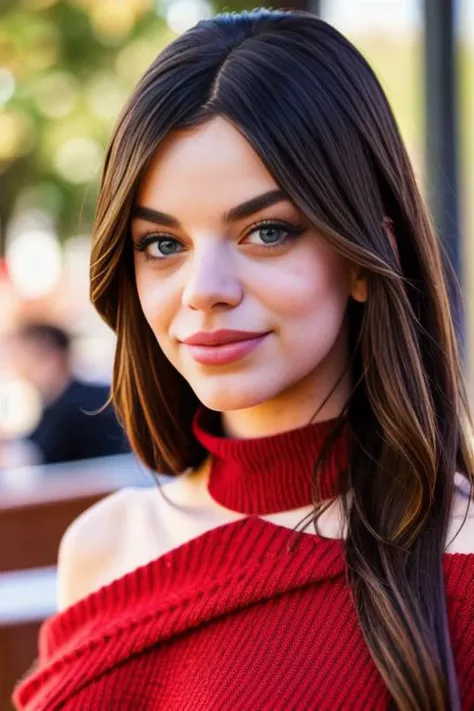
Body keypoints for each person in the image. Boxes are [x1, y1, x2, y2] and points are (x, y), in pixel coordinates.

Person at [13, 9, 473, 710]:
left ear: (363, 257)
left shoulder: (458, 566)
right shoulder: (102, 547)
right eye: (162, 244)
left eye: (266, 231)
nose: (205, 292)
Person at [1, 322, 129, 466]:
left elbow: (45, 458)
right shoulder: (53, 407)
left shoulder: (89, 404)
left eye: (26, 356)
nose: (20, 367)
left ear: (54, 356)